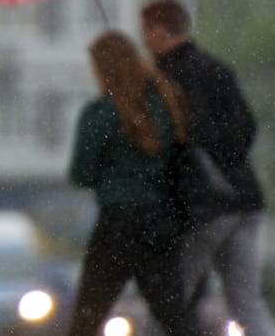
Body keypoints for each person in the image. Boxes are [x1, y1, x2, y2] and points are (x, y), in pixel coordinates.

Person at [141, 0, 273, 336]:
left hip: (203, 208)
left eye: (145, 31)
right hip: (244, 199)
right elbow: (247, 129)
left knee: (168, 300)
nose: (143, 39)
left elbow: (165, 148)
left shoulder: (164, 83)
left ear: (159, 30)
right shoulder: (218, 69)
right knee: (247, 303)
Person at [66, 30, 193, 336]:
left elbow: (80, 174)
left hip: (117, 223)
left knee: (87, 317)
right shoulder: (165, 105)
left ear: (103, 69)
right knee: (175, 317)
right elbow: (179, 160)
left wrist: (109, 176)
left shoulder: (99, 114)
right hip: (160, 220)